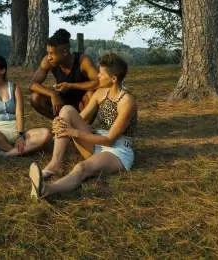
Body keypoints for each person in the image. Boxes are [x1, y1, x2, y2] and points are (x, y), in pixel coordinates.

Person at [29, 52, 137, 199]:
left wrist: (73, 132)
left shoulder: (126, 101)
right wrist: (60, 121)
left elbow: (109, 140)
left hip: (116, 151)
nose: (97, 76)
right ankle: (54, 165)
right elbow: (78, 118)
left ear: (113, 79)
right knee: (66, 110)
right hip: (95, 141)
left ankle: (46, 190)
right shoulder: (100, 93)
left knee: (81, 168)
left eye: (101, 74)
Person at [0, 55, 51, 157]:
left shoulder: (14, 87)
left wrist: (20, 136)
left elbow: (19, 114)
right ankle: (18, 152)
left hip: (16, 131)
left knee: (46, 133)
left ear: (2, 70)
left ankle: (5, 154)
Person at [29, 28, 99, 119]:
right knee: (35, 97)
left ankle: (84, 127)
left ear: (65, 52)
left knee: (91, 94)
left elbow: (98, 82)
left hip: (83, 102)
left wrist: (71, 86)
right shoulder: (48, 61)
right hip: (63, 100)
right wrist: (53, 94)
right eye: (48, 53)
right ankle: (60, 123)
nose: (49, 57)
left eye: (51, 53)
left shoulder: (83, 61)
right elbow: (32, 85)